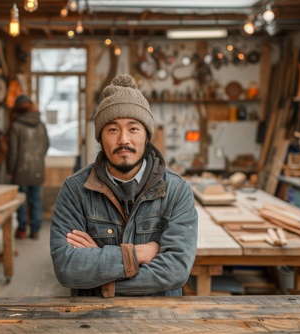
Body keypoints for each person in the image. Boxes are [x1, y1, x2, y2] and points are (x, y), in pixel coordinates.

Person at [50, 74, 198, 297]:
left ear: (147, 136)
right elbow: (67, 267)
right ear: (100, 137)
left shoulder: (176, 190)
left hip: (160, 318)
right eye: (112, 129)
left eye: (133, 128)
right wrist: (138, 254)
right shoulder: (75, 190)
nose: (123, 140)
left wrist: (102, 278)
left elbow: (175, 271)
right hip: (93, 318)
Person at [7, 95, 50, 240]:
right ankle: (36, 230)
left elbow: (13, 151)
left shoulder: (15, 125)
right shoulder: (40, 124)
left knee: (21, 200)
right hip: (37, 169)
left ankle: (22, 230)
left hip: (20, 170)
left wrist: (10, 170)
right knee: (35, 200)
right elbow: (46, 145)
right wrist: (38, 159)